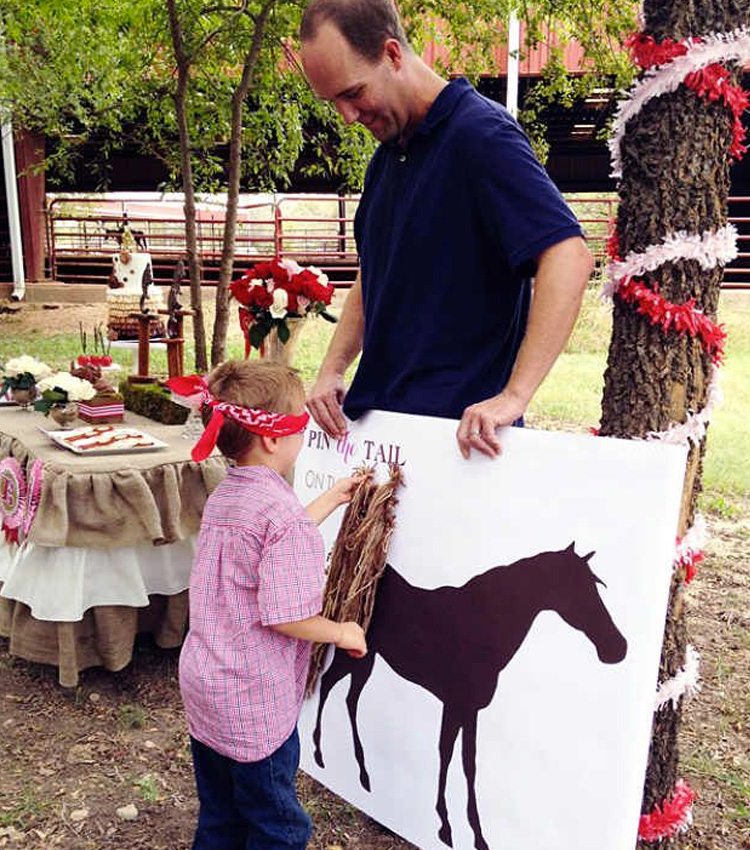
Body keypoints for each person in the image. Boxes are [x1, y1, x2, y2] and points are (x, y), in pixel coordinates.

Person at [299, 0, 594, 458]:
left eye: (353, 92)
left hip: (461, 447)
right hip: (385, 433)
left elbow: (568, 256)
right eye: (333, 101)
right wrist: (332, 369)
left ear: (392, 54)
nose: (347, 116)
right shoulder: (388, 157)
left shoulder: (480, 136)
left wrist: (514, 397)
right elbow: (377, 270)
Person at [173, 361, 368, 850]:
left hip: (206, 685)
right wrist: (343, 631)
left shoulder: (227, 495)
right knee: (277, 826)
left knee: (221, 816)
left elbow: (268, 543)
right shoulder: (280, 517)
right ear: (273, 439)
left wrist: (328, 501)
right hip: (253, 701)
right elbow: (287, 617)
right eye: (302, 422)